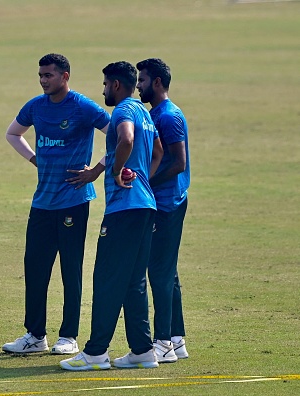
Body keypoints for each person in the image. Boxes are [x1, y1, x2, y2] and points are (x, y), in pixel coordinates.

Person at [2, 53, 111, 355]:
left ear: (65, 77)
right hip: (42, 203)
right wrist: (35, 159)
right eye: (40, 75)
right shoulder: (35, 106)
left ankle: (69, 336)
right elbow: (12, 133)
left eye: (48, 75)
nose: (43, 80)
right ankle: (35, 336)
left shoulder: (83, 106)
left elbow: (119, 135)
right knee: (35, 268)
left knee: (70, 269)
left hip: (73, 203)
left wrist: (95, 171)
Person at [60, 61, 163, 371]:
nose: (103, 89)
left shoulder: (122, 112)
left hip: (125, 209)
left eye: (105, 84)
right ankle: (143, 350)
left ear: (116, 85)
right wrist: (103, 170)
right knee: (133, 281)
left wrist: (117, 172)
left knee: (106, 278)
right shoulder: (143, 111)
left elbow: (126, 139)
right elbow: (157, 151)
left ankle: (95, 353)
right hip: (146, 206)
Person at [136, 58, 190, 363]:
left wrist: (146, 180)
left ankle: (163, 343)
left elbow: (178, 162)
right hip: (165, 201)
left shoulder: (168, 117)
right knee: (168, 273)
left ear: (157, 82)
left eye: (142, 80)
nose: (139, 85)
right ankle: (177, 338)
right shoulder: (157, 113)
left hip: (167, 204)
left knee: (159, 272)